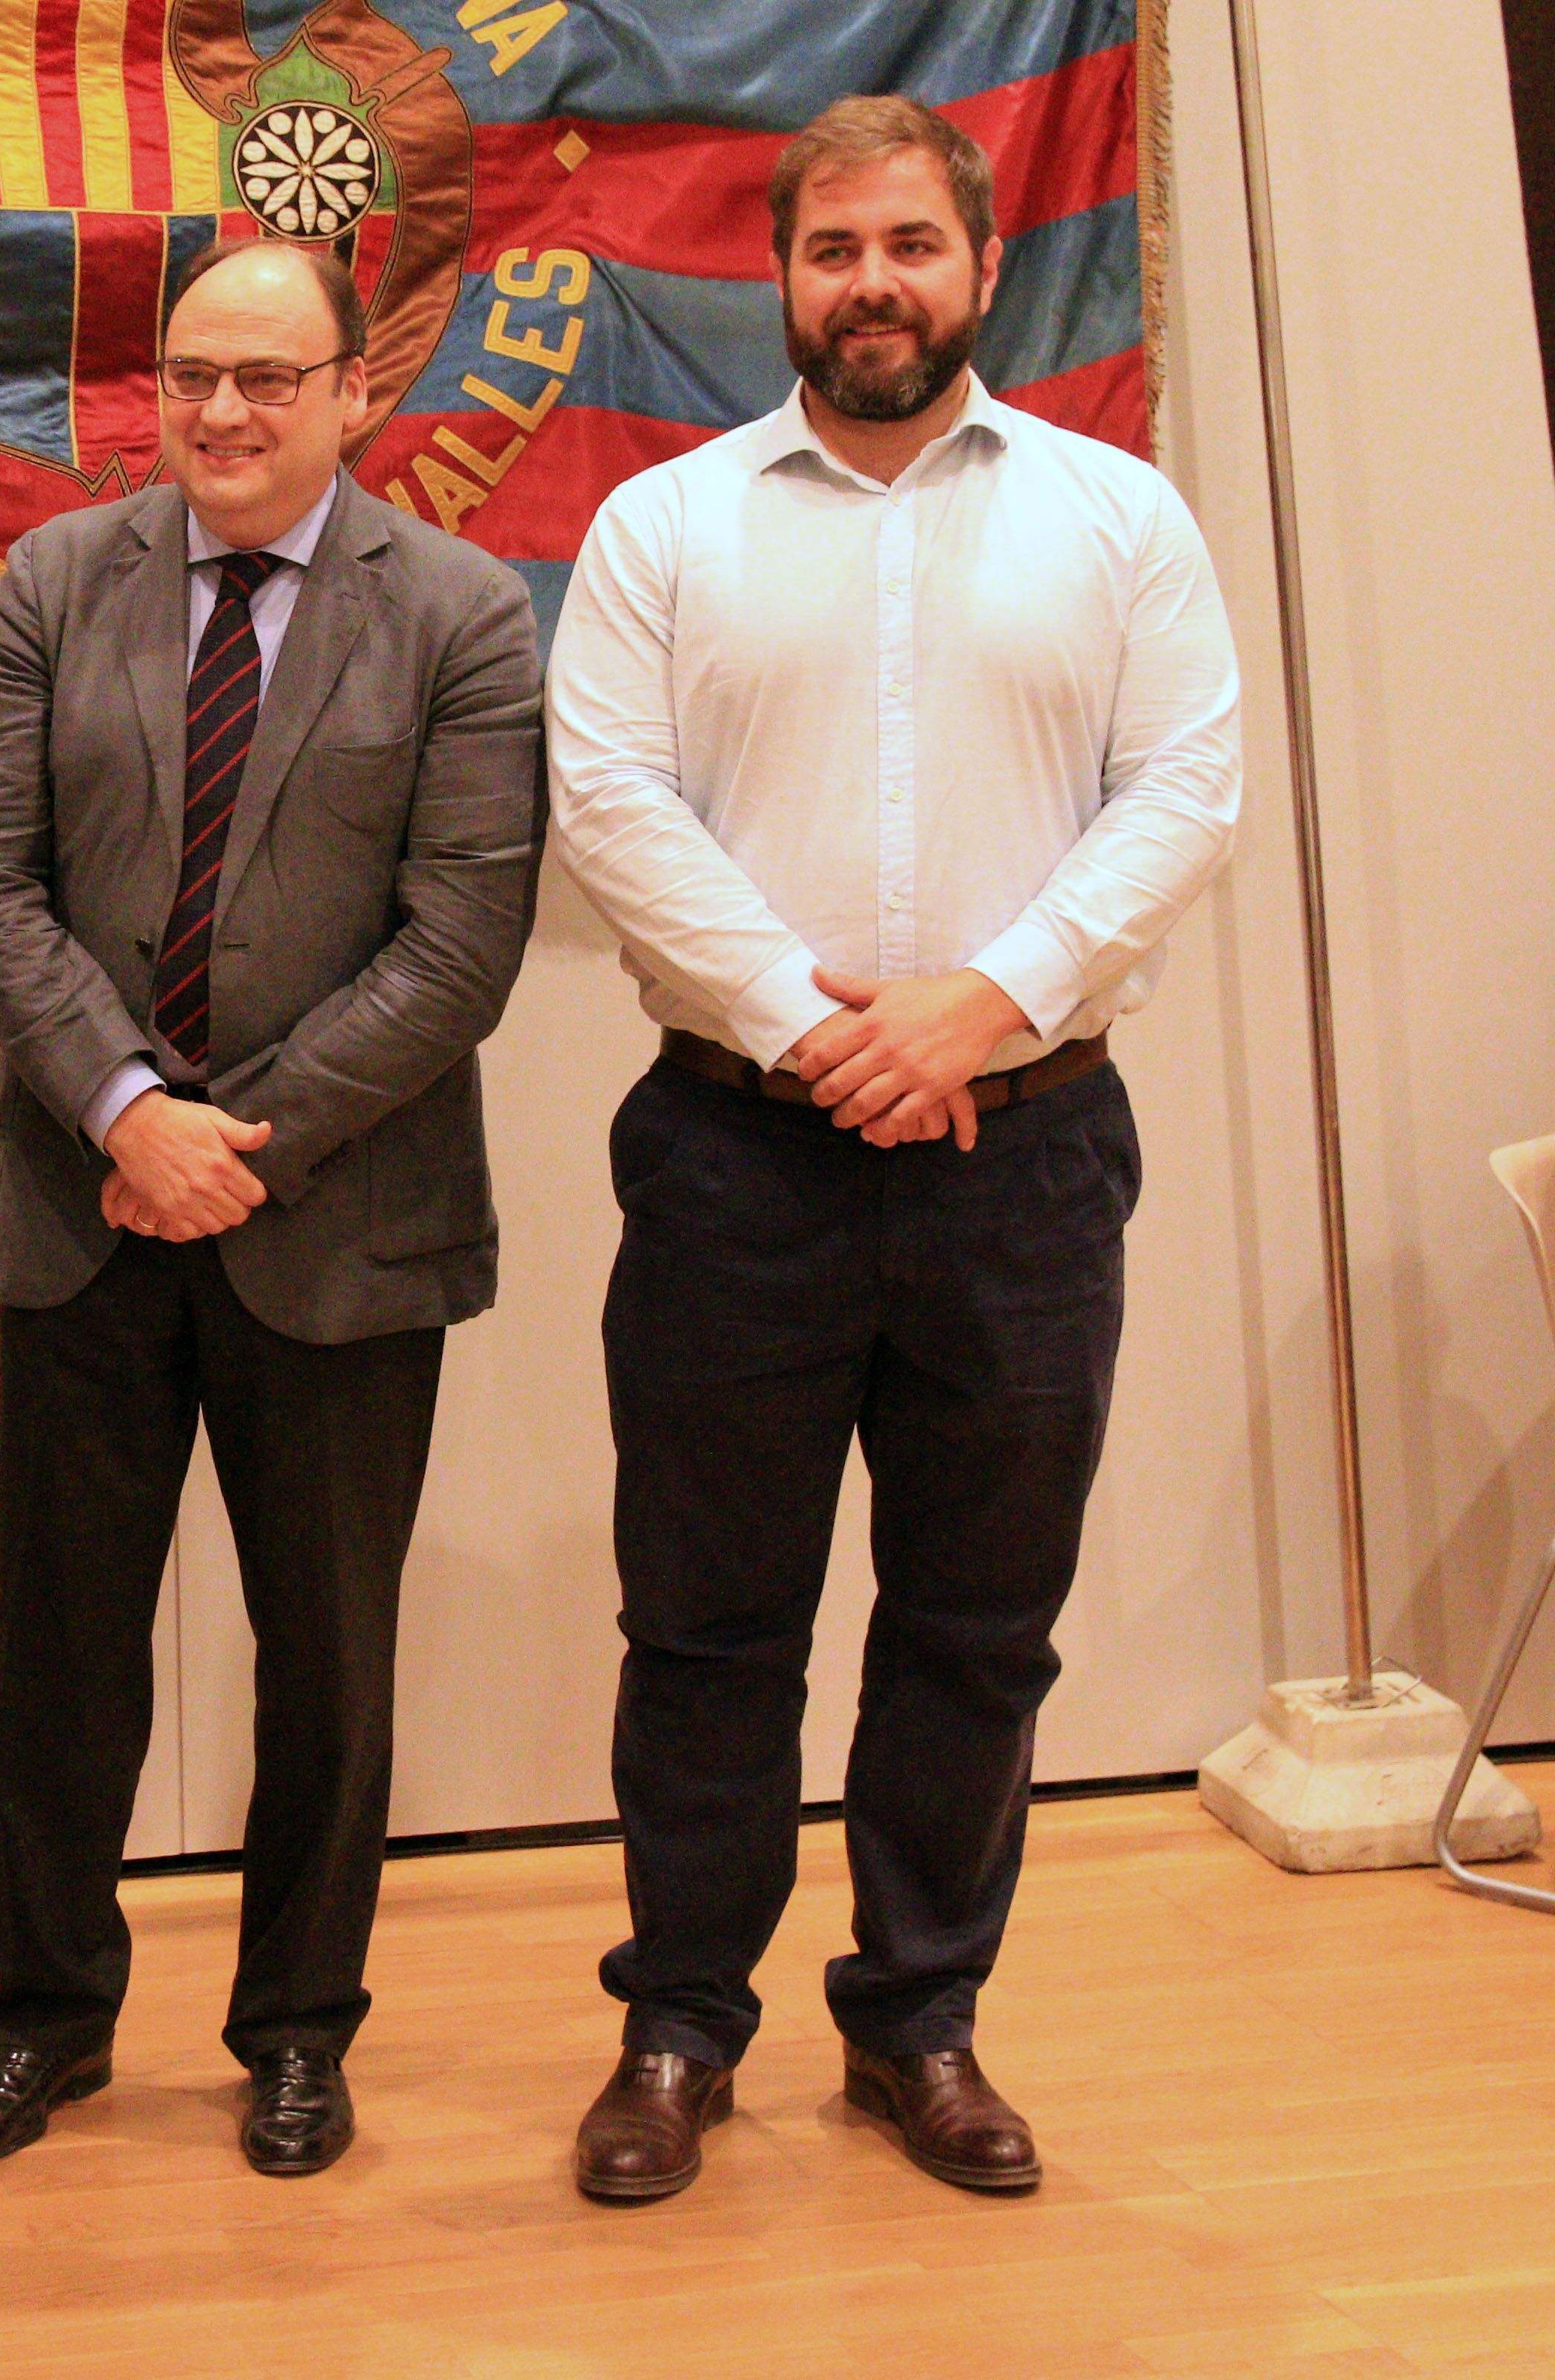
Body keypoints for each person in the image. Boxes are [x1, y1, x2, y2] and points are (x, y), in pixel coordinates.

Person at [543, 94, 1241, 2205]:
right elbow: (612, 804)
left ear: (979, 259)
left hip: (1025, 1163)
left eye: (910, 247)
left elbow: (1185, 790)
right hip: (732, 1160)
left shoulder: (1121, 518)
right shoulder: (666, 528)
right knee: (708, 1625)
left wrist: (981, 1004)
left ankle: (920, 2019)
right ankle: (679, 2022)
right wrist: (815, 1027)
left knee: (976, 1622)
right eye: (835, 248)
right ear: (782, 273)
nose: (874, 285)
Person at [0, 237, 547, 2180]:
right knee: (67, 1650)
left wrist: (233, 1139)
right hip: (85, 1202)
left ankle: (297, 2028)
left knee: (329, 1660)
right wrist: (127, 1110)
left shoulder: (459, 611)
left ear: (357, 392)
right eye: (193, 372)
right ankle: (47, 2019)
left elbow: (461, 944)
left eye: (269, 378)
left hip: (342, 1224)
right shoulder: (52, 583)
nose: (220, 411)